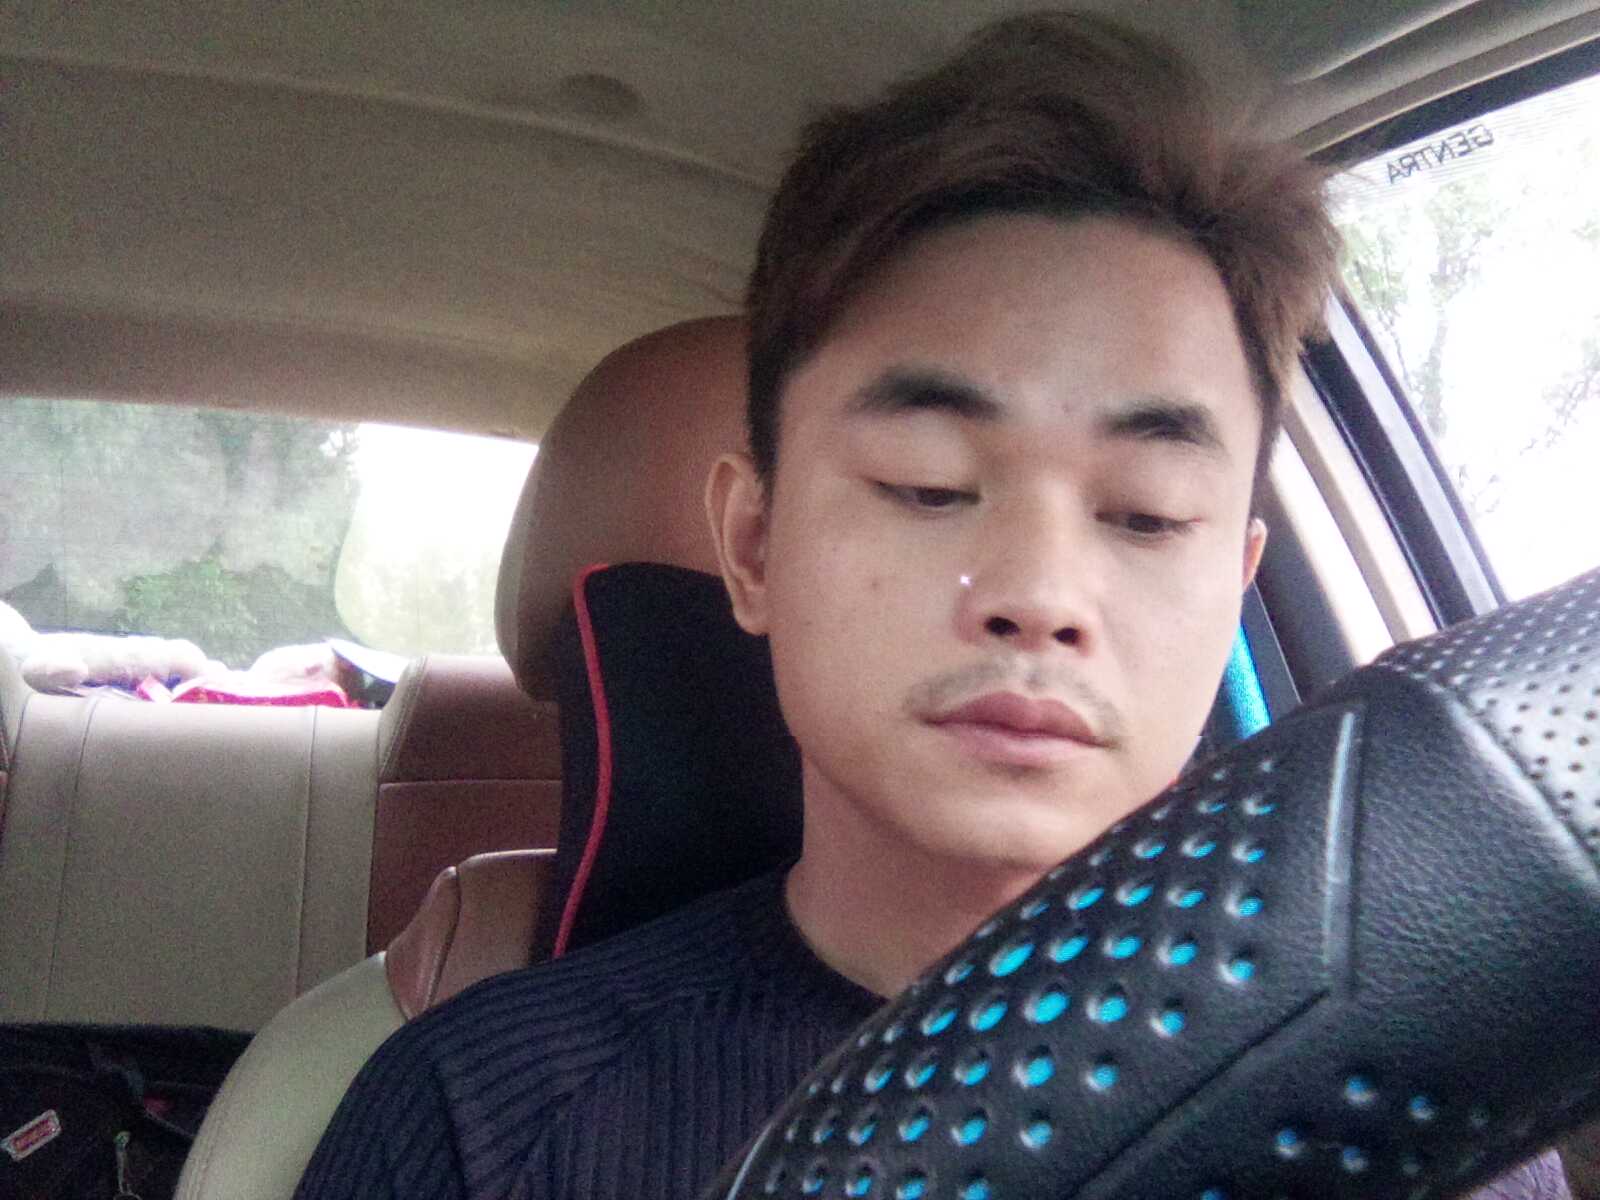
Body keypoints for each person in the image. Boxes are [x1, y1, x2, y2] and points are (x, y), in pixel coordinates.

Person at [295, 12, 1571, 1199]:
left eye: (1144, 513)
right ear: (753, 547)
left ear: (1233, 586)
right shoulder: (482, 1120)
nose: (1038, 597)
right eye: (926, 485)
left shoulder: (1415, 1116)